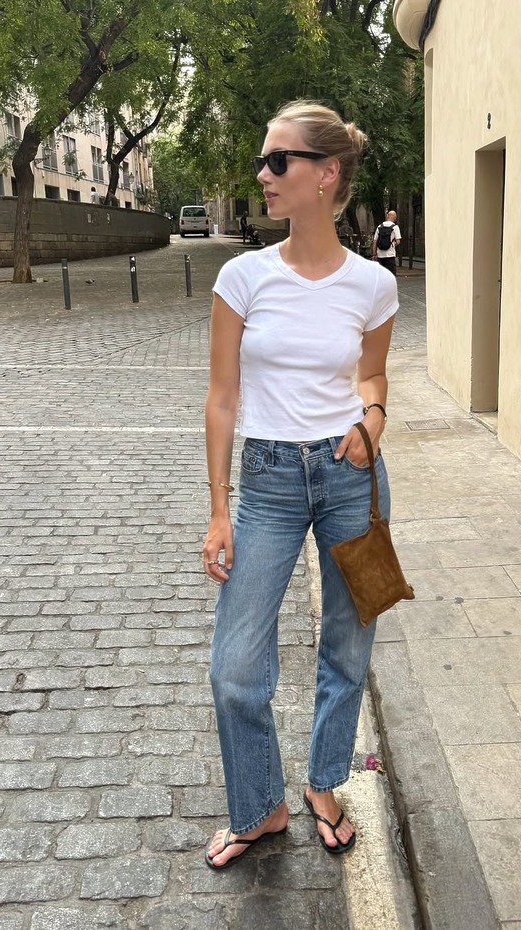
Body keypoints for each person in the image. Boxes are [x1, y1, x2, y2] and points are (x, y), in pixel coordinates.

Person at [202, 100, 398, 870]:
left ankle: (323, 783)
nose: (263, 174)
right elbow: (222, 398)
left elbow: (373, 376)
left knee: (349, 645)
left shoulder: (373, 285)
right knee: (235, 666)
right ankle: (261, 807)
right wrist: (219, 510)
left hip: (353, 477)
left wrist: (373, 421)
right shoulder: (241, 277)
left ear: (326, 174)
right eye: (263, 159)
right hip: (269, 480)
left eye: (278, 160)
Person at [372, 210, 401, 276]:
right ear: (394, 217)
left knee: (381, 275)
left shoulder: (379, 226)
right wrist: (393, 245)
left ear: (387, 216)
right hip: (390, 255)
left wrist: (374, 254)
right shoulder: (395, 227)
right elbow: (398, 242)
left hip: (380, 255)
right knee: (391, 275)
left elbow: (375, 241)